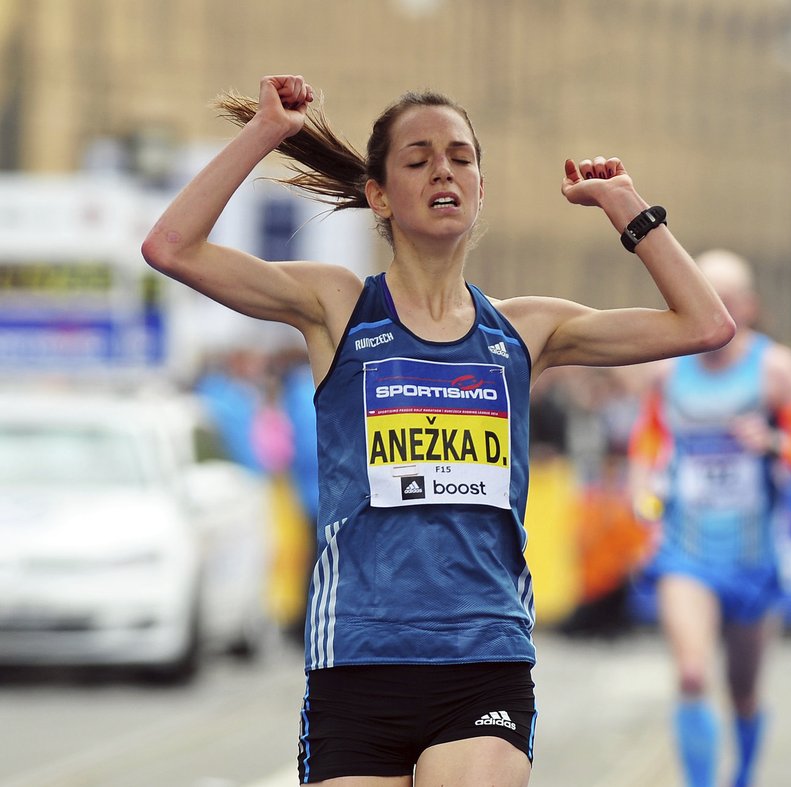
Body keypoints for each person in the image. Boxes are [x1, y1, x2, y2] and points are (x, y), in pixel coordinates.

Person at [142, 74, 735, 787]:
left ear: (481, 188)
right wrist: (266, 132)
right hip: (358, 657)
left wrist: (626, 207)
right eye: (418, 160)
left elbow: (705, 324)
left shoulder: (524, 329)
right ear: (380, 196)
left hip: (483, 656)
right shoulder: (338, 307)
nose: (444, 170)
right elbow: (171, 246)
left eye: (460, 157)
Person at [627, 249, 791, 787]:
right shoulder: (666, 370)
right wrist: (643, 502)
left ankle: (743, 774)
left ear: (748, 306)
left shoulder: (776, 370)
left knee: (743, 691)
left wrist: (774, 441)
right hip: (687, 549)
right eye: (702, 296)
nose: (714, 312)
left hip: (753, 556)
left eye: (726, 301)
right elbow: (647, 441)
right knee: (693, 674)